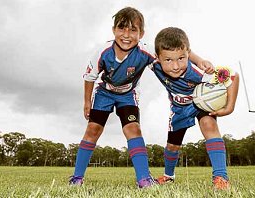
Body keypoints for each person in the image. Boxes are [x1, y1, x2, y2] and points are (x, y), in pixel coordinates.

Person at [69, 7, 213, 188]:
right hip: (104, 93)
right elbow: (90, 77)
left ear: (142, 33)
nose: (126, 34)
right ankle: (76, 178)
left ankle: (144, 179)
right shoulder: (103, 52)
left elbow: (175, 50)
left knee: (133, 130)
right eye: (122, 28)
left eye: (133, 30)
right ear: (114, 30)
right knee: (93, 130)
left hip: (128, 95)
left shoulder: (145, 52)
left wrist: (199, 62)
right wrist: (86, 103)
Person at [151, 27, 239, 190]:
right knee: (172, 146)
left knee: (209, 125)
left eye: (181, 58)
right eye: (168, 60)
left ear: (187, 54)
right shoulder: (153, 62)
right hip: (179, 108)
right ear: (158, 57)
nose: (175, 66)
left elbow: (232, 75)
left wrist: (229, 107)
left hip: (201, 104)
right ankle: (168, 176)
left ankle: (220, 178)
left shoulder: (202, 72)